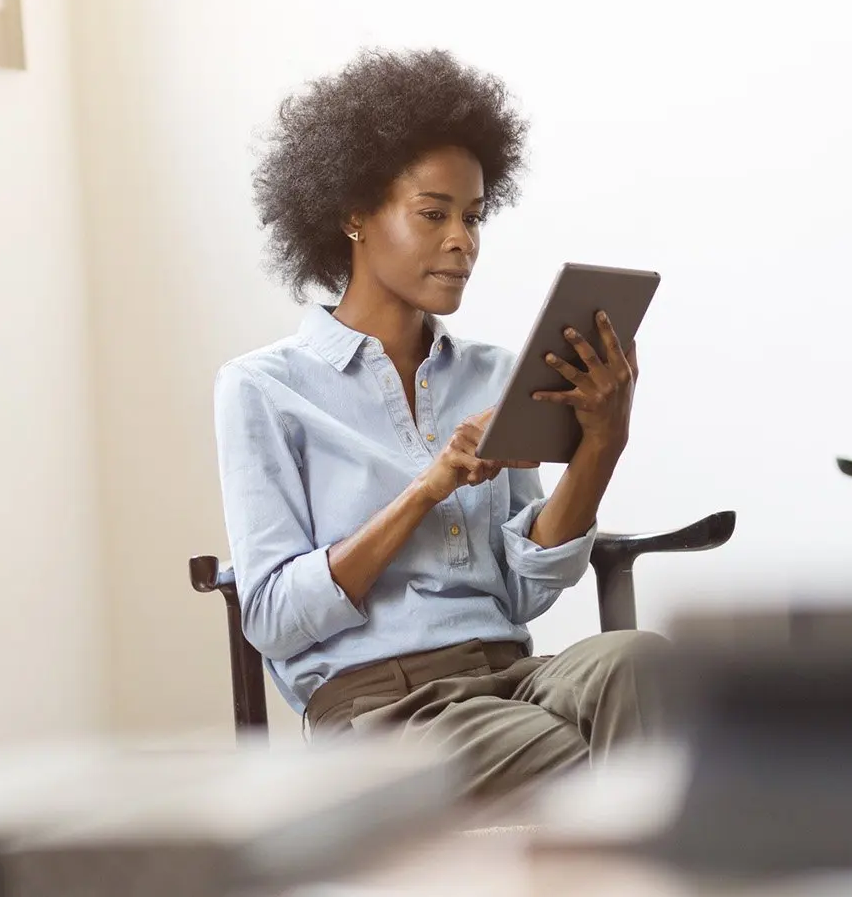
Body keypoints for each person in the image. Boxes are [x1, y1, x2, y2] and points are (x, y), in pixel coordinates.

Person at [213, 47, 661, 798]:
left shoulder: (493, 373)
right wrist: (428, 488)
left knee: (644, 667)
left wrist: (601, 447)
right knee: (603, 767)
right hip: (378, 710)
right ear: (354, 213)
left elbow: (525, 593)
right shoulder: (264, 389)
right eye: (434, 214)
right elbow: (273, 619)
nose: (464, 240)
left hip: (511, 674)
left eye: (474, 216)